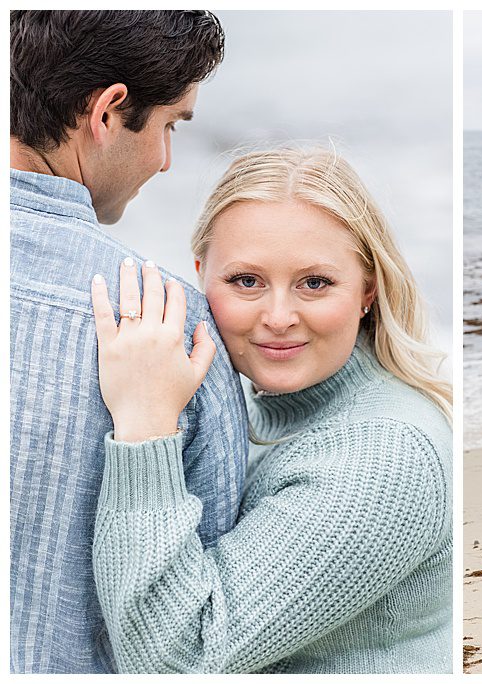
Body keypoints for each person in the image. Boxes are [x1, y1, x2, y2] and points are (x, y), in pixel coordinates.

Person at [88, 148, 453, 674]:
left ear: (368, 290)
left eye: (315, 282)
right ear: (199, 277)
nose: (279, 317)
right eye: (246, 281)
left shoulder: (386, 456)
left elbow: (178, 661)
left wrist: (144, 426)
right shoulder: (267, 415)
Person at [9, 11, 247, 673]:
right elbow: (196, 641)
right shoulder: (168, 320)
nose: (166, 160)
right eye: (170, 125)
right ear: (109, 112)